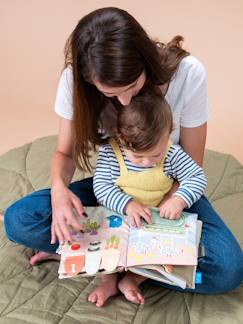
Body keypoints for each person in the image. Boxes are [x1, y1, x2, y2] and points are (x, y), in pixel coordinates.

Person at [4, 6, 243, 305]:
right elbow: (66, 153)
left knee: (228, 268)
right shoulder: (76, 82)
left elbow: (192, 169)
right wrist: (59, 192)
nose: (125, 100)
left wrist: (161, 217)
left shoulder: (188, 74)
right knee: (20, 220)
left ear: (144, 59)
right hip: (115, 191)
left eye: (131, 85)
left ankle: (114, 262)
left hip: (168, 192)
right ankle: (128, 262)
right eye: (110, 93)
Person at [89, 90, 207, 306]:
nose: (147, 162)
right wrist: (127, 204)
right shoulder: (111, 154)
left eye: (155, 155)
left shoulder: (171, 153)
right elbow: (101, 188)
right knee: (108, 245)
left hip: (154, 220)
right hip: (119, 217)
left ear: (168, 134)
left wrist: (178, 199)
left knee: (166, 251)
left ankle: (133, 279)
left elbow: (196, 176)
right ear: (121, 140)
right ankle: (108, 280)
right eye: (138, 157)